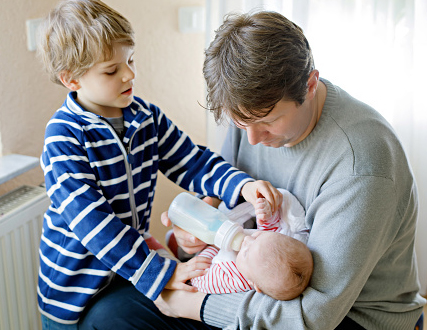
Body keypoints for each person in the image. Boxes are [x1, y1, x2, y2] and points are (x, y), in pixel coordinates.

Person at [155, 11, 427, 330]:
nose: (253, 138)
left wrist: (190, 305)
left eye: (268, 121)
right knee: (113, 313)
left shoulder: (361, 163)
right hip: (254, 283)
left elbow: (312, 315)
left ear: (310, 85)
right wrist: (198, 229)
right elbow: (225, 203)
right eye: (242, 124)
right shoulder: (253, 110)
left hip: (348, 317)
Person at [36, 1, 283, 329]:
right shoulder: (63, 138)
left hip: (127, 273)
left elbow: (193, 162)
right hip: (75, 292)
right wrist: (162, 271)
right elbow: (94, 225)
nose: (130, 74)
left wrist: (242, 186)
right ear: (71, 80)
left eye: (130, 59)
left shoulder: (145, 118)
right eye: (112, 70)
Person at [190, 189, 313, 301]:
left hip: (209, 254)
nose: (247, 239)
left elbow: (200, 281)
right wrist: (265, 214)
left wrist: (211, 249)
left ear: (254, 284)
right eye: (257, 236)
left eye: (246, 252)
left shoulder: (234, 278)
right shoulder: (268, 244)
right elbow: (271, 228)